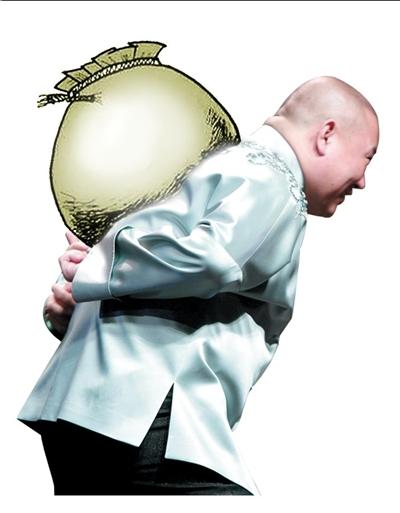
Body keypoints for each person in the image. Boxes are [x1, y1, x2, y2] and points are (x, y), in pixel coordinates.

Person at [17, 76, 379, 496]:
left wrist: (77, 300)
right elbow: (211, 260)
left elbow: (142, 273)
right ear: (327, 135)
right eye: (367, 157)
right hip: (148, 416)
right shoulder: (275, 182)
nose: (363, 181)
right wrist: (99, 269)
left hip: (83, 411)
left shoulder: (208, 167)